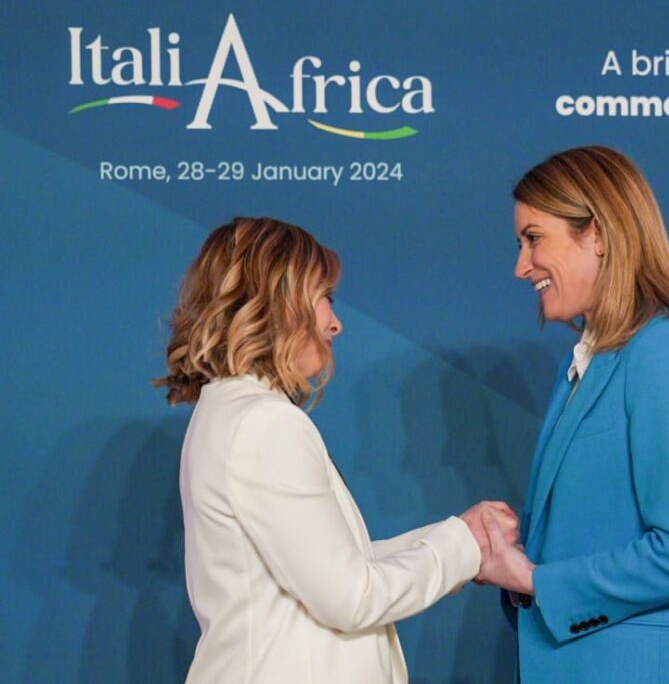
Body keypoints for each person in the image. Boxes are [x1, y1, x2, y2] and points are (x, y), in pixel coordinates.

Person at [154, 217, 518, 684]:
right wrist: (464, 546)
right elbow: (350, 597)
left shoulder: (231, 413)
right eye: (326, 298)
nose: (336, 323)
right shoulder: (265, 424)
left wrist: (465, 539)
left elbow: (334, 566)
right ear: (281, 305)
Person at [475, 147, 669, 682]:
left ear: (596, 234)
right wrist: (515, 561)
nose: (521, 266)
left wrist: (534, 579)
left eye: (534, 238)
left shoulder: (666, 348)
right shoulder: (586, 364)